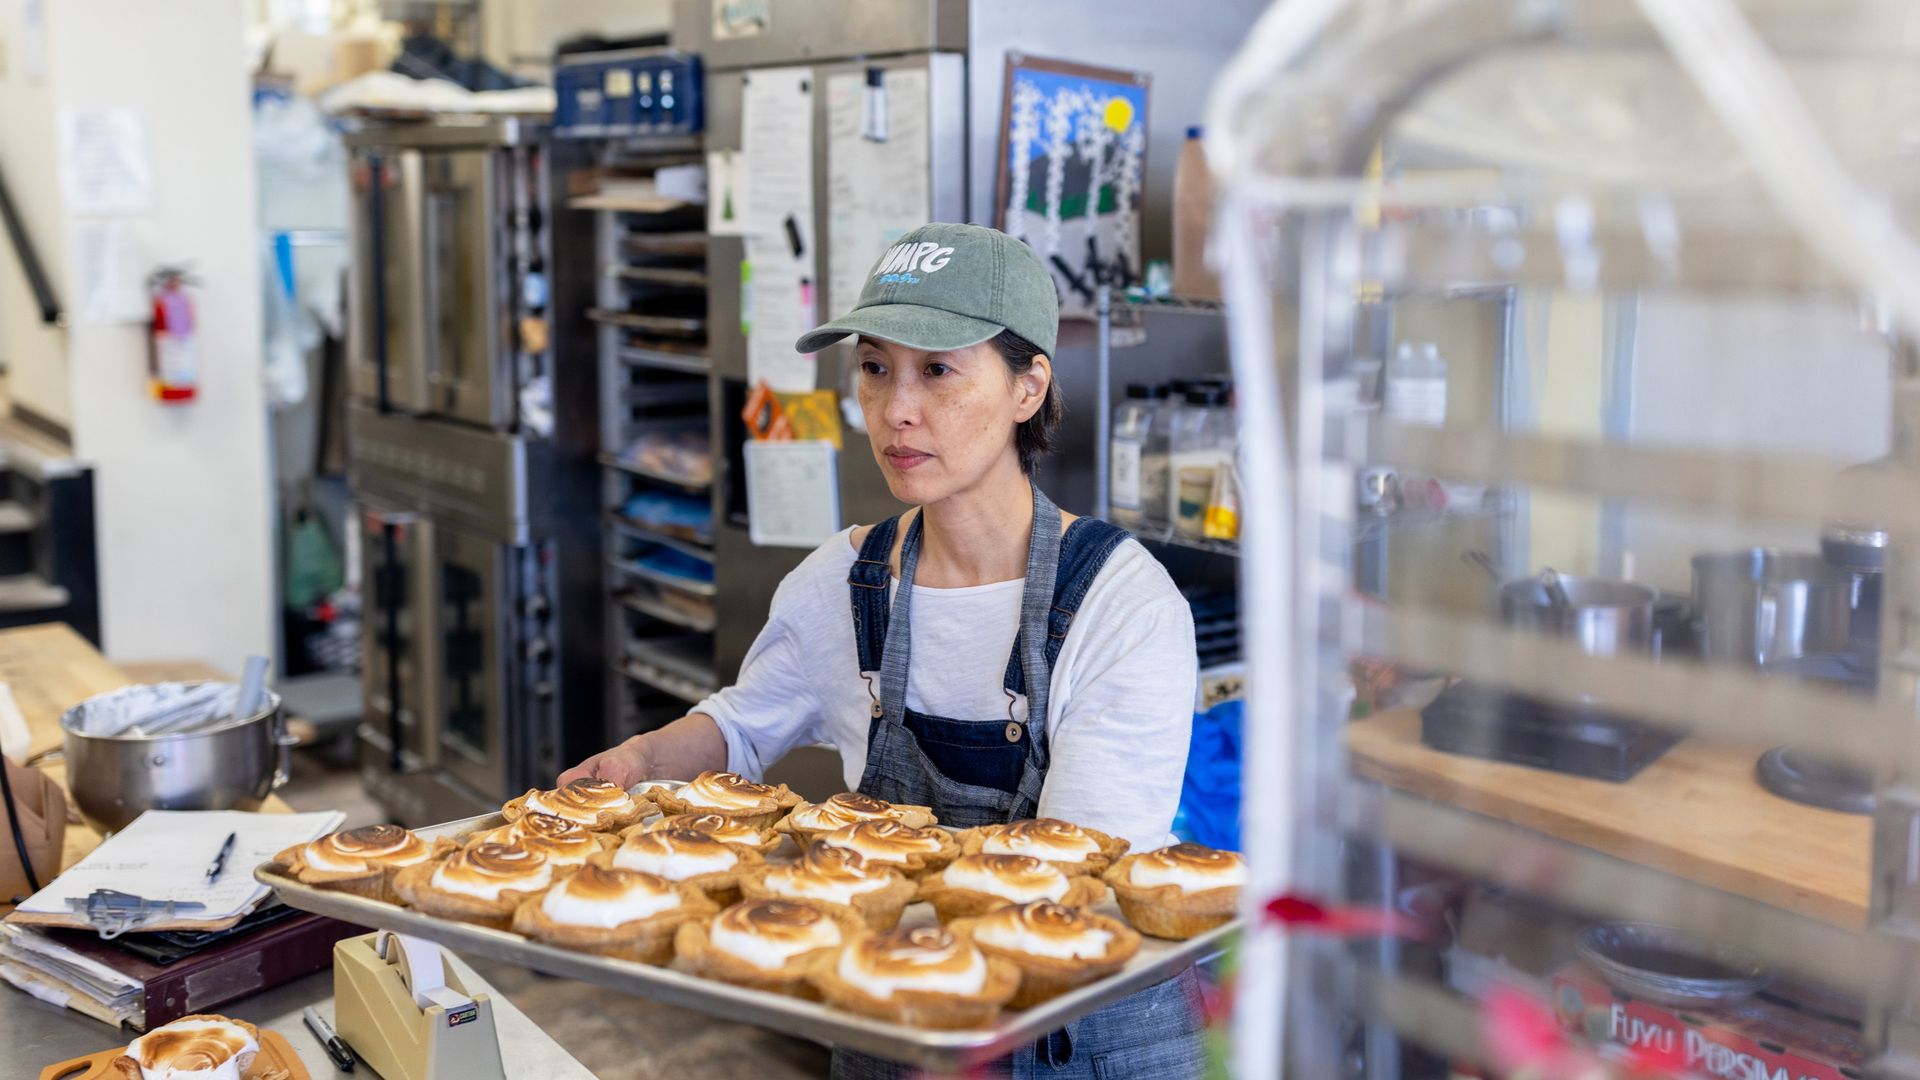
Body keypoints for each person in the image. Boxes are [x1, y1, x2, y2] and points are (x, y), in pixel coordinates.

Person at [561, 222, 1204, 1078]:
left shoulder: (1121, 604)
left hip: (1076, 1042)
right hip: (893, 1029)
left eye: (937, 370)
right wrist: (640, 759)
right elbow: (742, 727)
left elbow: (1068, 873)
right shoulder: (845, 582)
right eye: (874, 369)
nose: (896, 409)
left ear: (1027, 387)